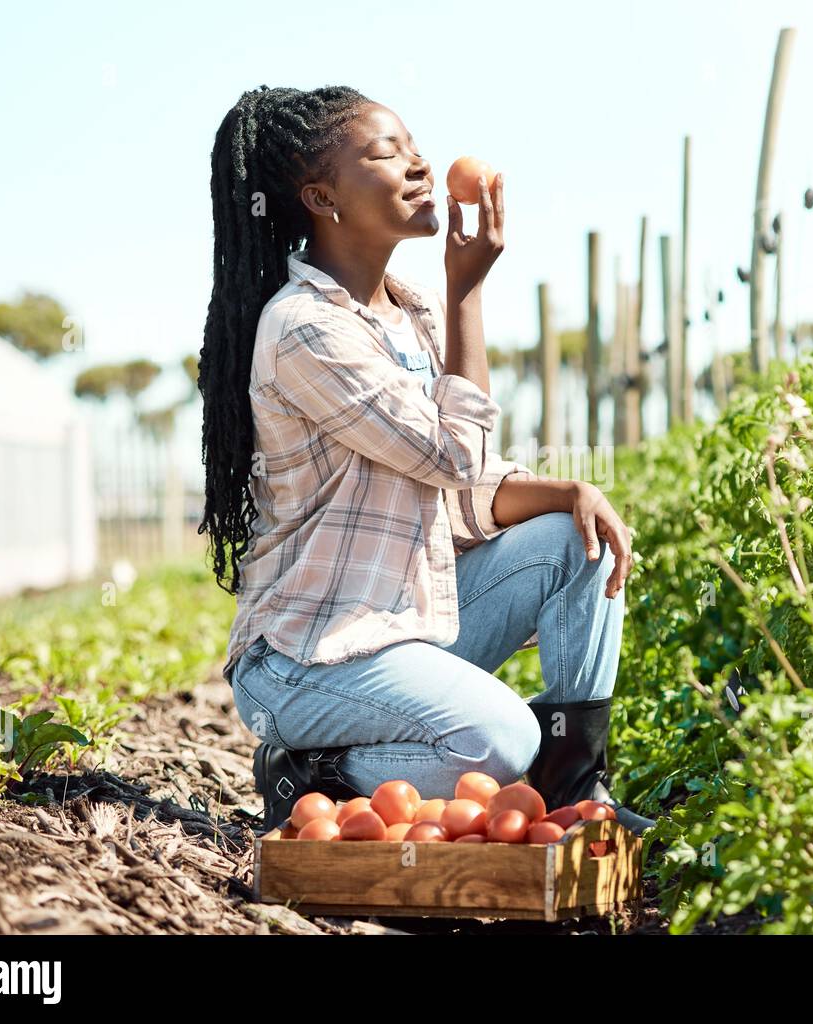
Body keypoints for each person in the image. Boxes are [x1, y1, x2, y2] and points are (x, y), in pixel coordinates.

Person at [196, 85, 655, 834]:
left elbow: (466, 486)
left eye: (415, 148)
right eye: (386, 154)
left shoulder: (408, 314)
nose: (418, 166)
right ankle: (311, 772)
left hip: (401, 623)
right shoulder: (306, 329)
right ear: (321, 197)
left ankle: (574, 783)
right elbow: (447, 451)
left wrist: (574, 491)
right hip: (312, 657)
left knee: (580, 538)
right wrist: (467, 293)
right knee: (501, 742)